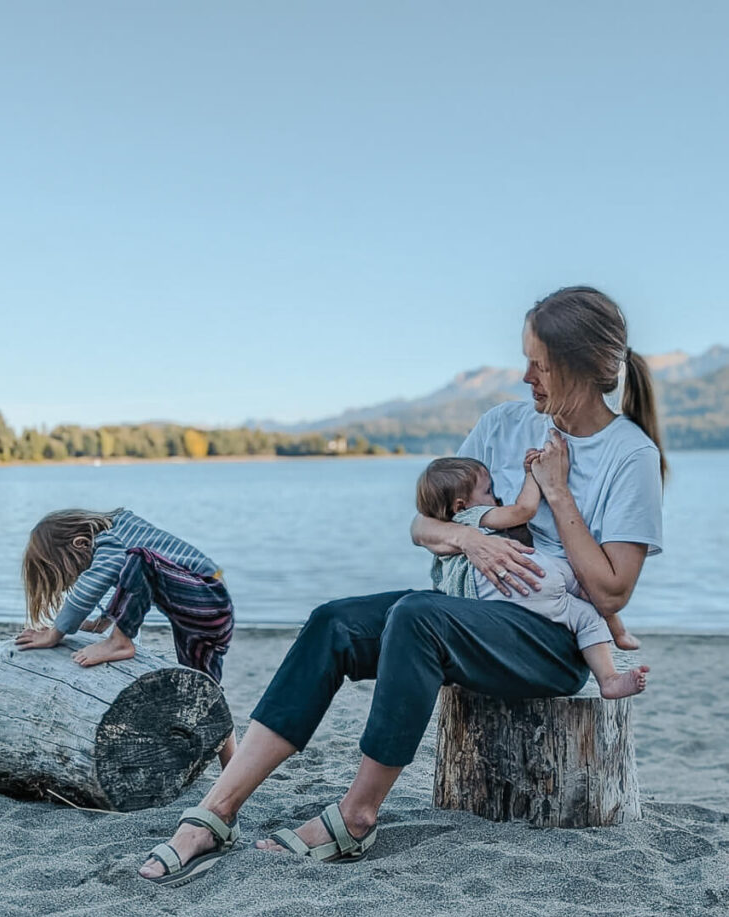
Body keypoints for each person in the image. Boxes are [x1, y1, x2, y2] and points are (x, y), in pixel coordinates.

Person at [138, 285, 664, 886]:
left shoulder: (630, 457)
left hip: (555, 637)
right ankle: (216, 811)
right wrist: (472, 539)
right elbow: (425, 524)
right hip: (473, 611)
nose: (525, 376)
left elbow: (613, 592)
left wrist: (559, 491)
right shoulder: (502, 424)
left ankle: (356, 815)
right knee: (334, 621)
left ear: (574, 366)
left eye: (538, 364)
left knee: (418, 615)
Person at [15, 508, 236, 767]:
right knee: (206, 690)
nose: (77, 580)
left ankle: (119, 641)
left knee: (140, 558)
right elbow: (134, 584)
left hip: (205, 596)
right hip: (207, 609)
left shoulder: (111, 539)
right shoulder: (123, 535)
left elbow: (100, 579)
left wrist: (56, 632)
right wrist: (105, 620)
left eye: (75, 572)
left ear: (81, 543)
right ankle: (232, 767)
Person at [416, 455, 648, 699]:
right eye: (488, 491)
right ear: (461, 506)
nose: (495, 498)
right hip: (530, 573)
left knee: (582, 610)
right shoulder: (471, 517)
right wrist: (531, 475)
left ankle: (613, 662)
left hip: (498, 601)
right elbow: (523, 510)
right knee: (589, 593)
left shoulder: (443, 551)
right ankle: (610, 669)